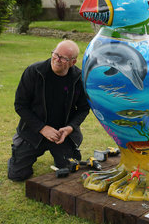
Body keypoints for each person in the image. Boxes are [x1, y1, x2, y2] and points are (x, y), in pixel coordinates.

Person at [7, 40, 90, 181]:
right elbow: (20, 105)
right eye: (56, 54)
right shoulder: (34, 72)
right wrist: (42, 128)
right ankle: (18, 155)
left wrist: (70, 127)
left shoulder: (79, 79)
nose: (57, 59)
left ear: (73, 62)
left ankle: (63, 152)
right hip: (33, 131)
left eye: (64, 58)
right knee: (18, 176)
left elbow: (83, 109)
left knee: (69, 170)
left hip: (61, 134)